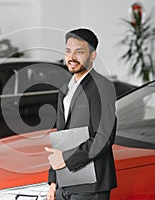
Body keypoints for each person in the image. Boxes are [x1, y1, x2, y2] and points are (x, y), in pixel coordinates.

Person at [45, 28, 117, 200]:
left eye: (79, 52)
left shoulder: (102, 87)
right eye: (68, 51)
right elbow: (61, 136)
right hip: (66, 182)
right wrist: (54, 180)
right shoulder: (65, 89)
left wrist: (67, 159)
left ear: (92, 56)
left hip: (91, 186)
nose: (72, 57)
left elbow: (104, 137)